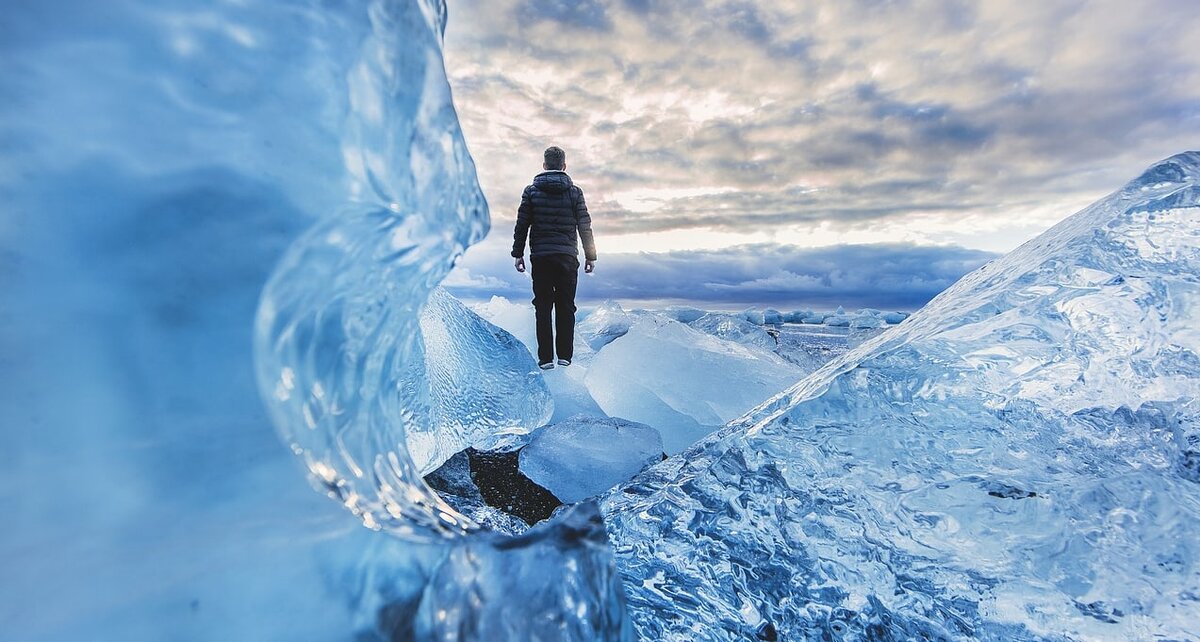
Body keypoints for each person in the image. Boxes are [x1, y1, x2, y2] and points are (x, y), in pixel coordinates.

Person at [511, 146, 597, 370]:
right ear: (564, 166)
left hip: (540, 257)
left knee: (542, 307)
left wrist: (518, 253)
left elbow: (522, 225)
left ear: (544, 165)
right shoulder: (575, 192)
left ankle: (546, 359)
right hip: (567, 257)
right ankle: (565, 357)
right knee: (566, 306)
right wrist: (590, 255)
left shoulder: (531, 191)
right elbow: (584, 225)